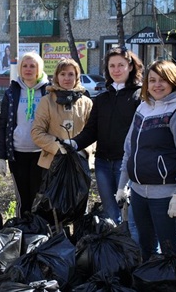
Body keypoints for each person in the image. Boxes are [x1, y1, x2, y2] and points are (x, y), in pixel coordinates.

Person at [116, 60, 176, 261]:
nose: (157, 85)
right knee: (146, 248)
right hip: (138, 194)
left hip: (165, 197)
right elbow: (129, 149)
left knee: (171, 251)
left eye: (163, 80)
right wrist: (122, 186)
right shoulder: (142, 108)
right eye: (152, 80)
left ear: (174, 82)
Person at [65, 47, 143, 229]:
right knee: (110, 212)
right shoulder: (101, 99)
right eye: (112, 66)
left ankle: (131, 251)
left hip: (128, 165)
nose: (116, 70)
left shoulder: (140, 97)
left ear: (130, 67)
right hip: (103, 164)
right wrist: (74, 143)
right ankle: (115, 249)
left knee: (130, 214)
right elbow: (91, 131)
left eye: (121, 65)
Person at [0, 52, 50, 217]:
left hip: (41, 153)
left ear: (38, 69)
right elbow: (4, 123)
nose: (28, 69)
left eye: (32, 66)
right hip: (17, 152)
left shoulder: (48, 91)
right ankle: (23, 228)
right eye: (25, 66)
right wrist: (0, 156)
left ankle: (38, 232)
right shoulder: (12, 92)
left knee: (38, 196)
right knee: (23, 197)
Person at [31, 56, 93, 172]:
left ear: (77, 77)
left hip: (79, 162)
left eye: (71, 74)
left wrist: (81, 149)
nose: (67, 78)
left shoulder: (86, 103)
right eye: (63, 74)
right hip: (52, 163)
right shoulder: (47, 101)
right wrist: (59, 148)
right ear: (56, 77)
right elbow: (37, 132)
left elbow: (93, 132)